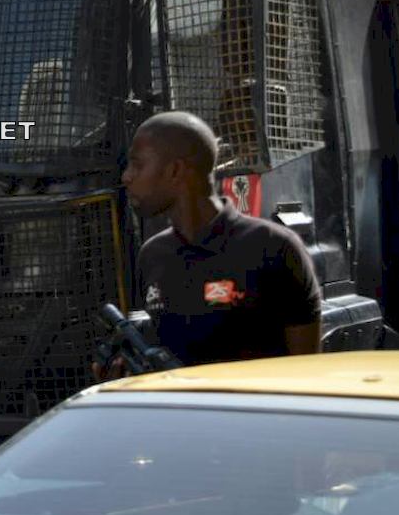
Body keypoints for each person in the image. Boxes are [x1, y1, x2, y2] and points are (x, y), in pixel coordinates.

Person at [97, 112, 321, 375]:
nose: (126, 177)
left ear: (175, 171)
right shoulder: (153, 256)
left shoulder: (274, 248)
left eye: (137, 165)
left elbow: (307, 376)